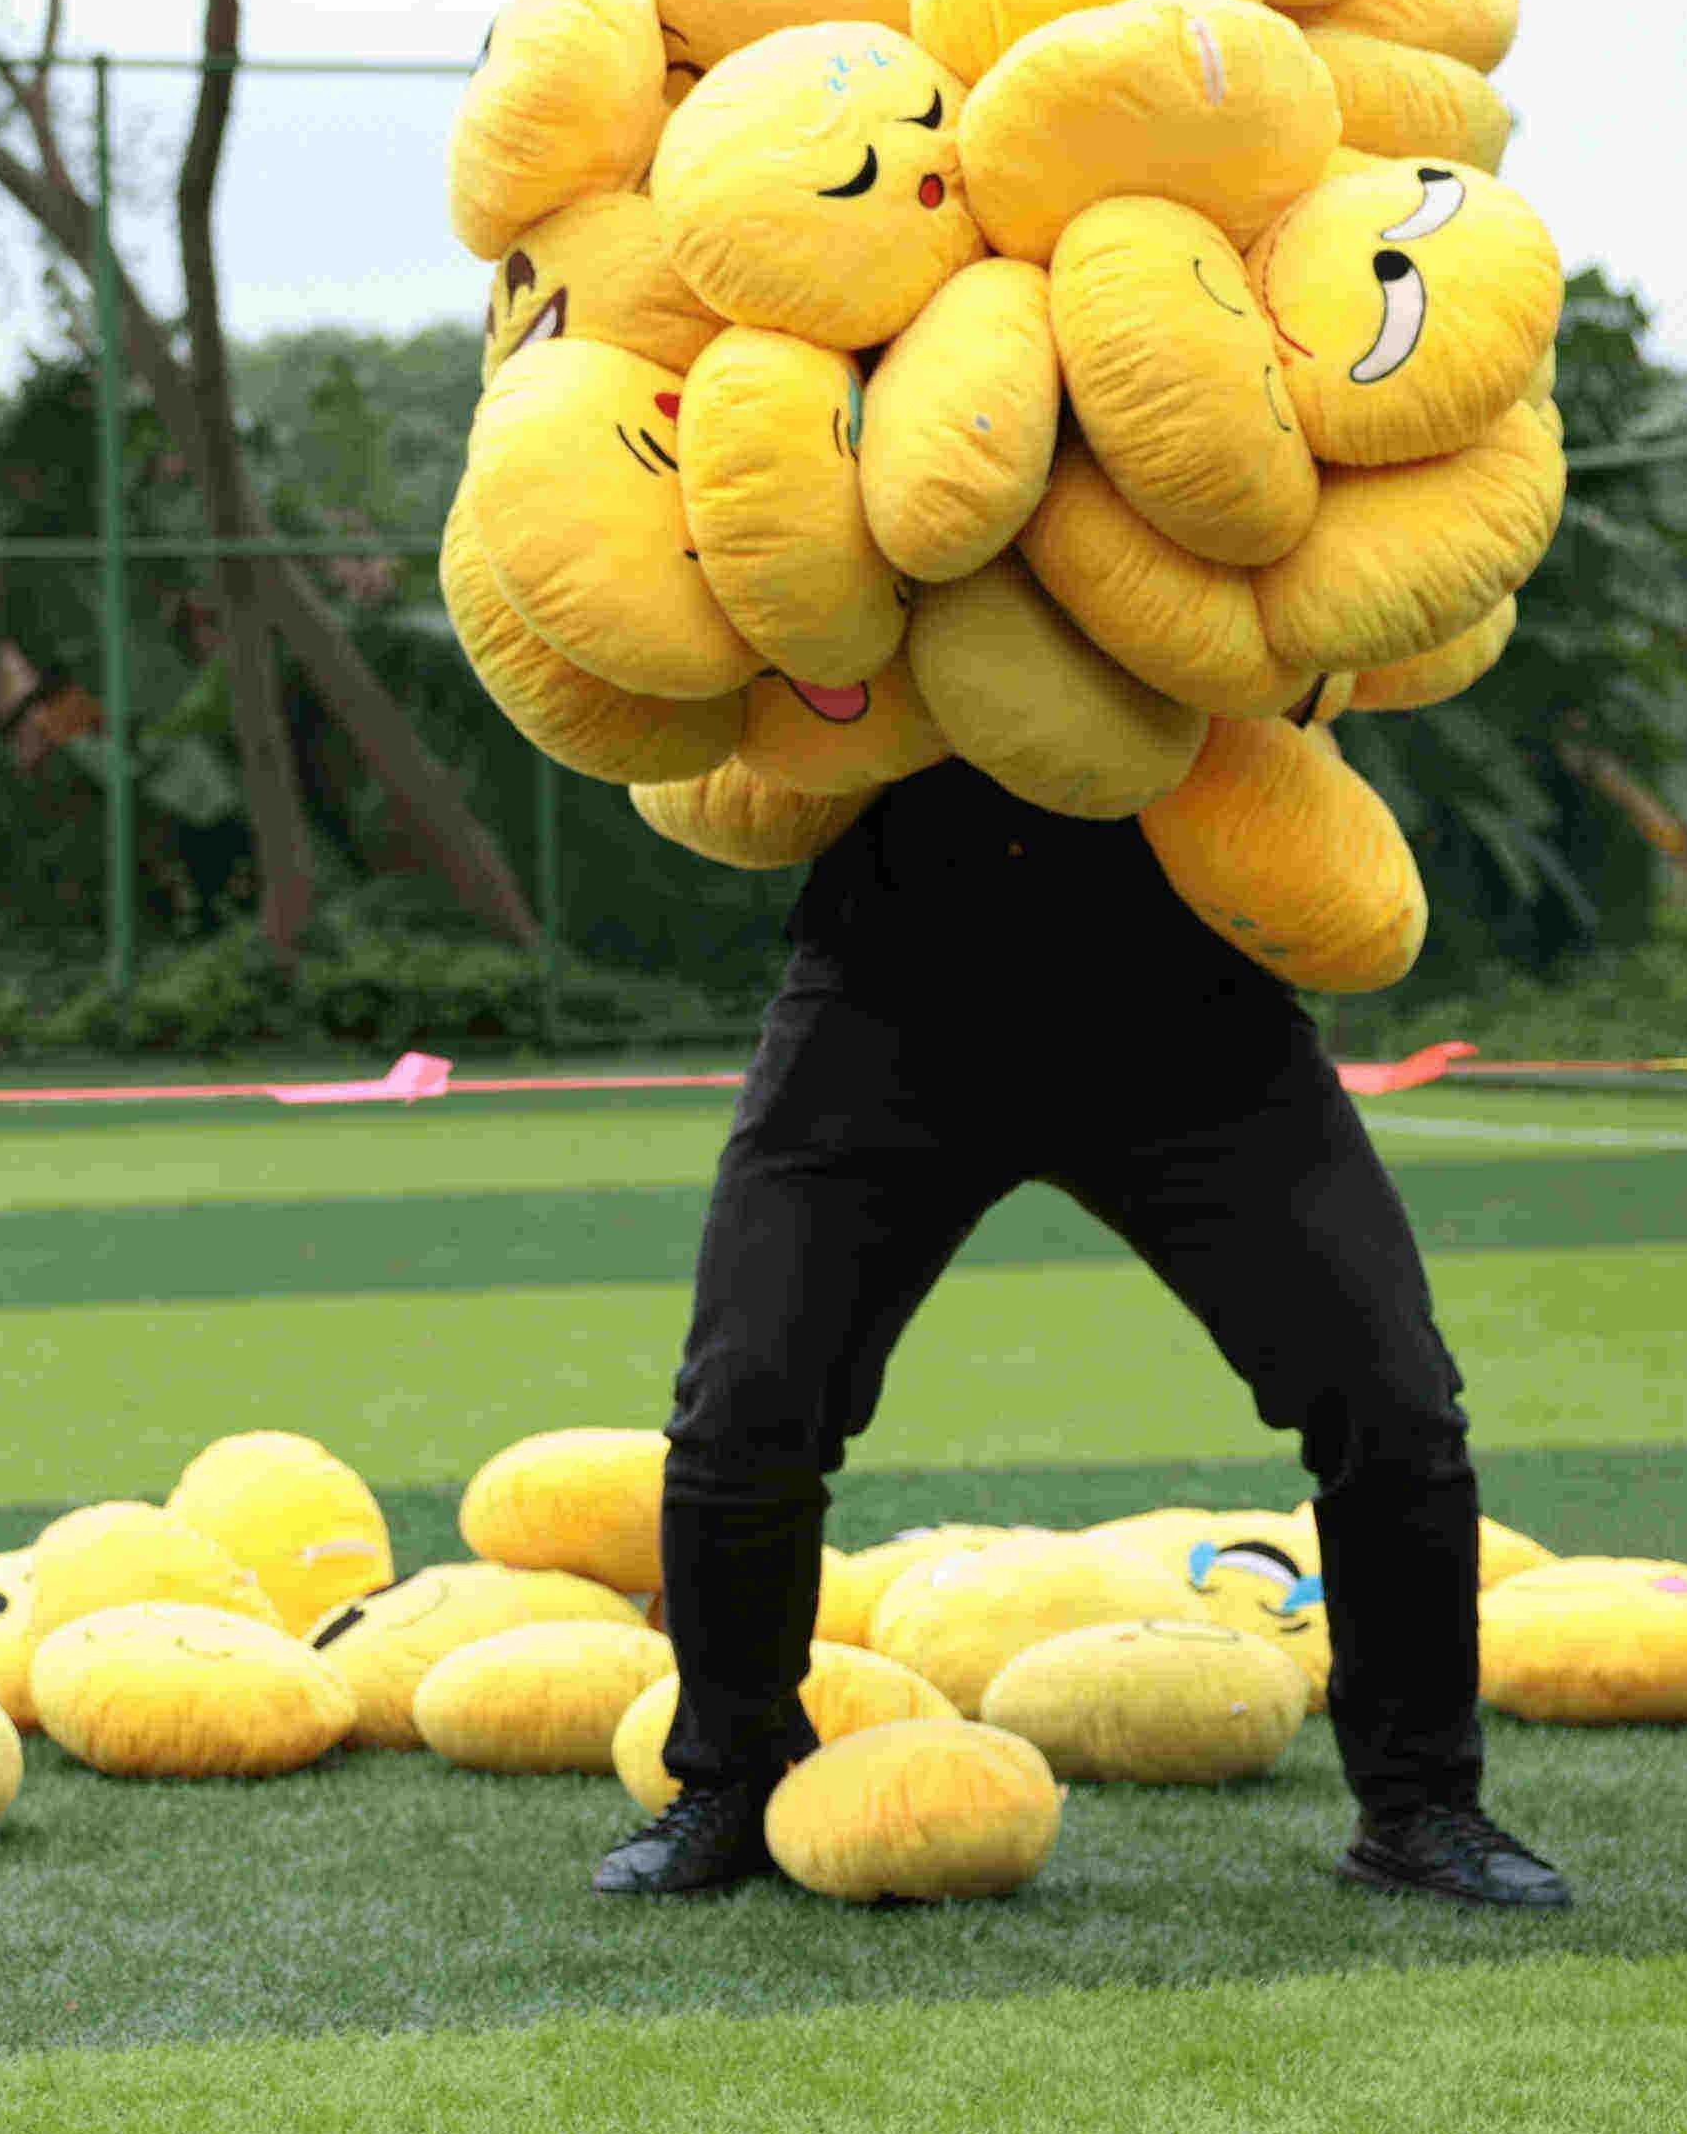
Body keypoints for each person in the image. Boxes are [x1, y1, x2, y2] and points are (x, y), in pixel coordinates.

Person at [594, 764, 1574, 1910]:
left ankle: (1421, 1806)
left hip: (1196, 1009)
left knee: (1390, 1396)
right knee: (746, 1398)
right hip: (889, 998)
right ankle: (730, 1777)